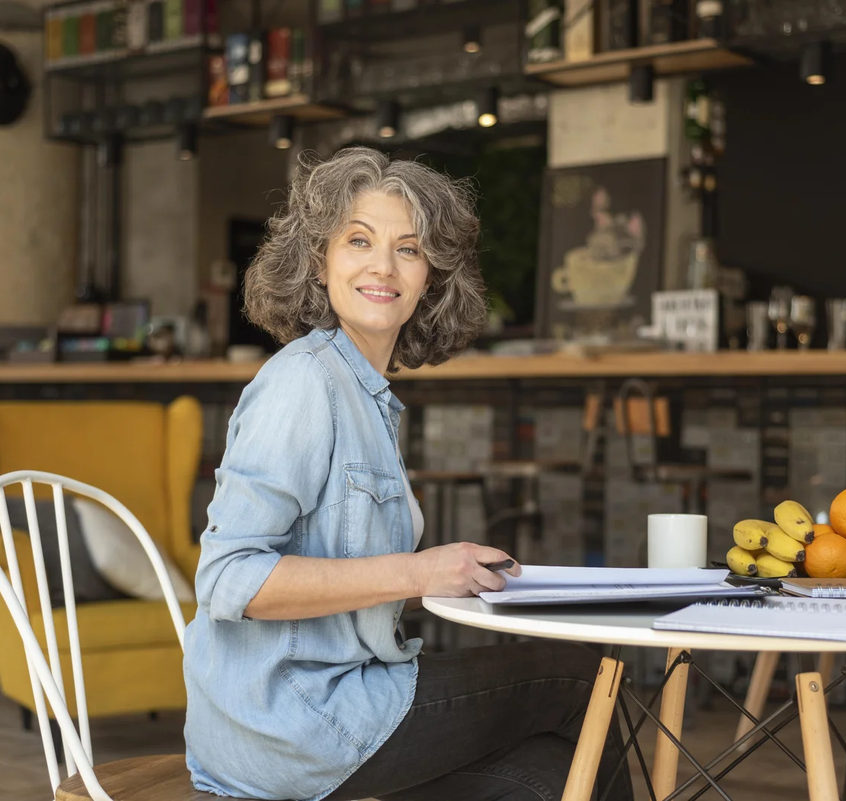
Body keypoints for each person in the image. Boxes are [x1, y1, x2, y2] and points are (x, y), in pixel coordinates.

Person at [183, 146, 632, 801]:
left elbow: (333, 571)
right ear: (320, 260)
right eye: (358, 240)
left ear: (431, 276)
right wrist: (417, 571)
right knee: (580, 679)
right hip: (293, 720)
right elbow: (230, 578)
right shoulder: (304, 383)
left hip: (309, 713)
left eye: (410, 249)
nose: (383, 267)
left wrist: (453, 581)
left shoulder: (363, 393)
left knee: (546, 779)